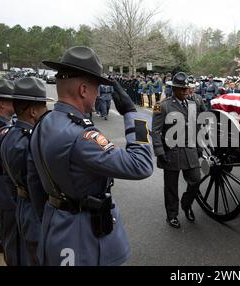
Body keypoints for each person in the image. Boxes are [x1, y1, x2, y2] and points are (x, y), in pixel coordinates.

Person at [27, 46, 154, 266]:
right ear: (84, 90)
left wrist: (53, 214)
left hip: (55, 227)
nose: (98, 95)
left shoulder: (44, 122)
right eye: (96, 89)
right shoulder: (82, 136)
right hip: (82, 240)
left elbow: (34, 181)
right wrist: (134, 116)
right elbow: (141, 165)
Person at [0, 78, 53, 266]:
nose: (46, 112)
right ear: (32, 111)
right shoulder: (28, 142)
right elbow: (37, 185)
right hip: (34, 213)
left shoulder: (9, 134)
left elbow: (8, 180)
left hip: (21, 208)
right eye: (43, 108)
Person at [152, 72, 203, 229]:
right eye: (181, 89)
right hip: (171, 152)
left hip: (189, 150)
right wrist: (160, 152)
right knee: (171, 187)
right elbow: (155, 130)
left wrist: (199, 147)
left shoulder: (192, 104)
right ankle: (172, 215)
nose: (184, 92)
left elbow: (197, 127)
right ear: (173, 89)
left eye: (186, 89)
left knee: (196, 180)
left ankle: (186, 204)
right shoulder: (161, 106)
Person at [0, 79, 15, 264]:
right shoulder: (1, 130)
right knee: (12, 238)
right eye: (11, 99)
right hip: (4, 187)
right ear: (1, 103)